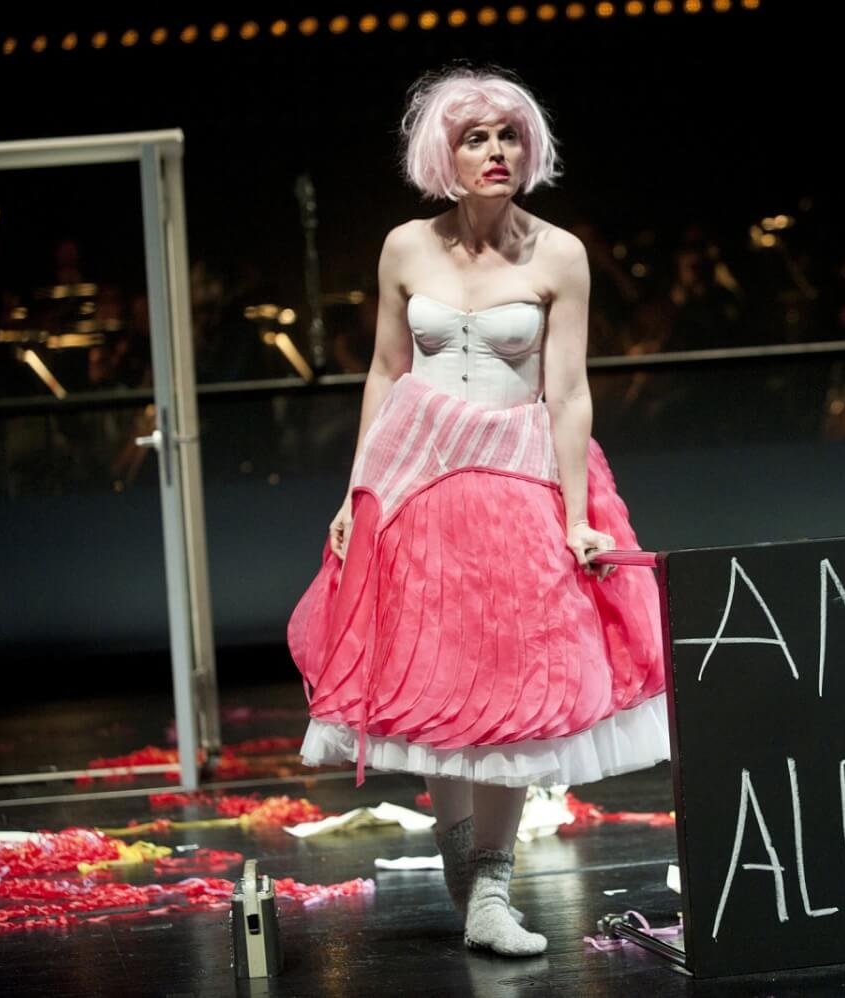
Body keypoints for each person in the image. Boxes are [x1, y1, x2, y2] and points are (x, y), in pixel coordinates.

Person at [286, 66, 669, 957]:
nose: (495, 151)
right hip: (418, 486)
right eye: (475, 137)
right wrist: (355, 494)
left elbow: (567, 393)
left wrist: (575, 514)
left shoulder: (559, 254)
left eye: (507, 134)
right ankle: (466, 866)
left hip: (515, 482)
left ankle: (492, 887)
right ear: (443, 154)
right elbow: (386, 372)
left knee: (516, 690)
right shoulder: (405, 249)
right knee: (438, 687)